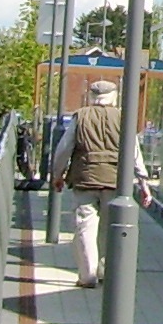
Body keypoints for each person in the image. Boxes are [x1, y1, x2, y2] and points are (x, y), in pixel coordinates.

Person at [50, 78, 123, 288]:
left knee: (85, 227)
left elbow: (64, 148)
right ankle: (104, 271)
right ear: (114, 97)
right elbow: (134, 151)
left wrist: (58, 174)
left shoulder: (80, 116)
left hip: (85, 179)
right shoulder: (122, 117)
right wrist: (143, 181)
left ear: (91, 97)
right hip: (114, 179)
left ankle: (87, 275)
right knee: (110, 228)